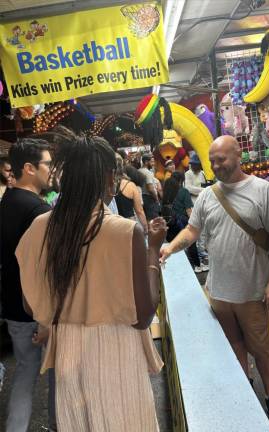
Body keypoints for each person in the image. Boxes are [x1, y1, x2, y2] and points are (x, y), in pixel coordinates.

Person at [15, 131, 167, 432]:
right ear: (109, 178)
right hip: (117, 358)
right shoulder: (125, 232)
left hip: (68, 358)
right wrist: (152, 250)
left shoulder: (39, 227)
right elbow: (143, 315)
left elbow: (30, 304)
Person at [160, 136, 269, 432]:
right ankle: (245, 391)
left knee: (261, 348)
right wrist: (169, 247)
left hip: (253, 290)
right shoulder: (208, 196)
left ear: (238, 156)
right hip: (219, 291)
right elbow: (193, 231)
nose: (217, 165)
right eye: (213, 159)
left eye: (222, 158)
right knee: (233, 346)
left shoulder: (262, 190)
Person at [0, 138, 53, 432]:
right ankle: (61, 423)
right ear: (30, 169)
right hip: (35, 310)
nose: (50, 169)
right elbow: (42, 269)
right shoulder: (38, 210)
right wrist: (45, 318)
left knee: (24, 371)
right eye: (47, 163)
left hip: (12, 305)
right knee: (58, 371)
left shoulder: (6, 202)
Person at [162, 171, 207, 273]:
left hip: (170, 223)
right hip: (182, 222)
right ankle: (197, 265)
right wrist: (195, 224)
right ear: (181, 180)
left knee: (174, 245)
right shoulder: (183, 191)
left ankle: (180, 266)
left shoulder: (166, 192)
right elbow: (189, 210)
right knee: (190, 244)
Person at [115, 154, 148, 234]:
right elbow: (139, 211)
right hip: (129, 225)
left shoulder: (104, 185)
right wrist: (145, 227)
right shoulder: (130, 185)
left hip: (113, 224)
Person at [184, 153, 208, 262]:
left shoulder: (202, 173)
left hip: (202, 202)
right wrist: (203, 190)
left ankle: (202, 249)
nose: (195, 167)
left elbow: (205, 185)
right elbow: (188, 188)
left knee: (203, 227)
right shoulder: (188, 174)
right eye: (194, 165)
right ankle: (195, 250)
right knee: (195, 226)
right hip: (192, 203)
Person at [139, 153, 160, 220]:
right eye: (151, 162)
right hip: (149, 199)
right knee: (153, 220)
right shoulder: (148, 173)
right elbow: (150, 188)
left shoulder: (138, 171)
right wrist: (156, 199)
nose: (153, 164)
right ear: (146, 162)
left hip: (141, 198)